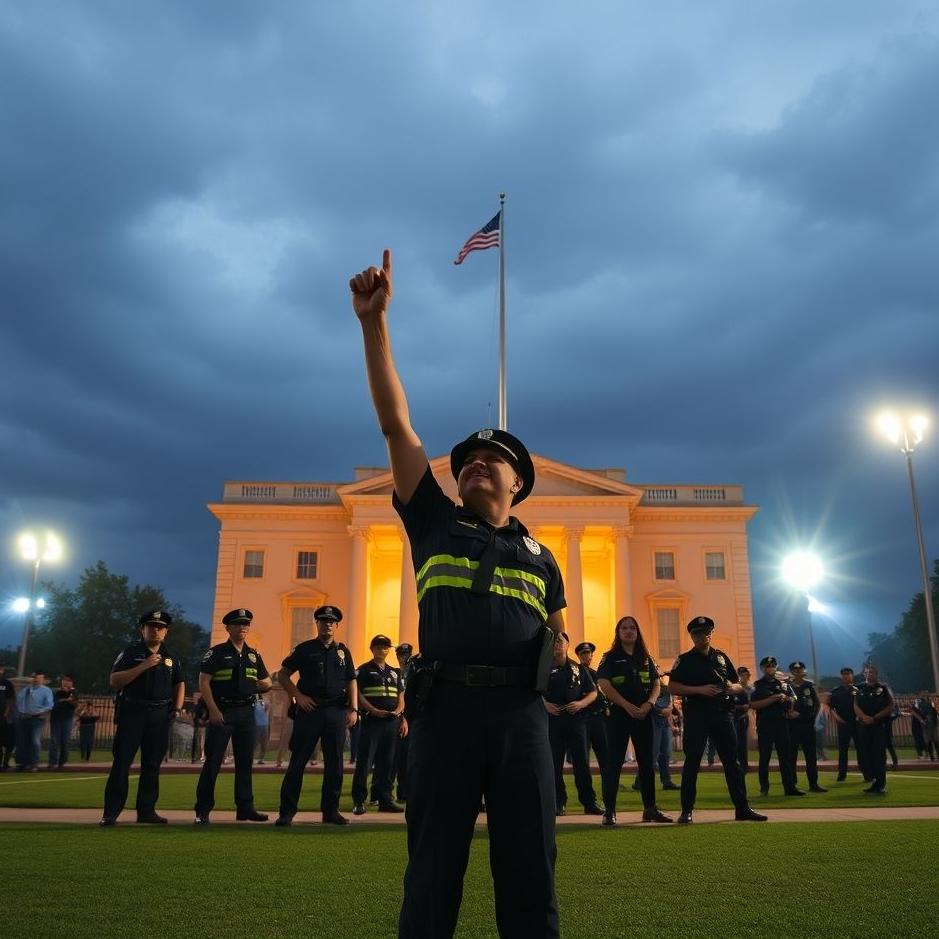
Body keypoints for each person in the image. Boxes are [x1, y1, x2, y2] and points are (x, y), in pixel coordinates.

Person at [351, 248, 566, 939]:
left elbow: (558, 631)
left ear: (517, 483)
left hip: (521, 718)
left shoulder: (542, 557)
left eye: (491, 458)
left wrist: (555, 650)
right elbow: (396, 424)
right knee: (433, 868)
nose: (475, 462)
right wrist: (374, 325)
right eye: (467, 458)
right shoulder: (433, 520)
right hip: (444, 712)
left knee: (530, 871)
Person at [666, 616, 765, 824]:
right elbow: (673, 686)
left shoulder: (721, 657)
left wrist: (731, 688)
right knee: (692, 762)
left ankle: (742, 808)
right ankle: (686, 810)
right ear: (692, 636)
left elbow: (738, 685)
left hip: (722, 714)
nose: (702, 636)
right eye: (697, 633)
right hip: (697, 715)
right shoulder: (685, 660)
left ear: (711, 633)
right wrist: (699, 690)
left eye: (706, 632)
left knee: (732, 762)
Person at [275, 605, 357, 826]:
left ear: (336, 625)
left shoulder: (343, 652)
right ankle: (286, 812)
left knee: (335, 764)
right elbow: (282, 675)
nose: (327, 624)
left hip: (336, 711)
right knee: (298, 761)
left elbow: (351, 680)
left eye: (331, 622)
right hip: (310, 710)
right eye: (323, 621)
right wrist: (298, 696)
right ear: (317, 624)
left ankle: (331, 811)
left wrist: (354, 709)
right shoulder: (304, 649)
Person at [100, 611, 184, 825]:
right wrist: (143, 666)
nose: (156, 630)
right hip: (133, 712)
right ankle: (111, 812)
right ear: (142, 629)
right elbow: (115, 680)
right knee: (122, 763)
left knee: (152, 765)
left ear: (166, 631)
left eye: (160, 627)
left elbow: (179, 683)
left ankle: (146, 810)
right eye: (151, 626)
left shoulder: (171, 657)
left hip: (160, 715)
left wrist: (177, 708)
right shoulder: (130, 653)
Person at [194, 608, 272, 823]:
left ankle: (245, 808)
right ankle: (202, 810)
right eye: (238, 624)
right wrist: (213, 710)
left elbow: (267, 681)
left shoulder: (253, 655)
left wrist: (260, 684)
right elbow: (203, 682)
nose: (243, 627)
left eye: (246, 624)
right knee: (213, 762)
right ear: (228, 628)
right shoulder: (217, 653)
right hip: (223, 711)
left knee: (245, 763)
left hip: (246, 713)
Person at [597, 615, 671, 825]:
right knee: (614, 764)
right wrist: (626, 705)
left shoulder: (646, 657)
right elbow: (604, 683)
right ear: (618, 633)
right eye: (624, 628)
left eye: (632, 628)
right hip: (619, 715)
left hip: (643, 715)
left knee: (647, 763)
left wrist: (649, 704)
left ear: (638, 632)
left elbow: (657, 683)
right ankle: (609, 811)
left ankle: (650, 809)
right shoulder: (610, 657)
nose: (629, 631)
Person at [544, 632, 602, 817]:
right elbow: (534, 692)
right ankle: (558, 803)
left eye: (560, 641)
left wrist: (581, 704)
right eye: (554, 641)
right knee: (554, 764)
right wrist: (545, 705)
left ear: (568, 645)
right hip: (553, 721)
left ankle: (589, 802)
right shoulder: (544, 667)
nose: (557, 644)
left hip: (576, 721)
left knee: (581, 763)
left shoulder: (578, 668)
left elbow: (593, 692)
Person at [352, 634, 407, 814]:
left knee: (388, 763)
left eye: (385, 647)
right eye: (378, 647)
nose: (381, 650)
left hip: (392, 722)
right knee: (365, 762)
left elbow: (400, 695)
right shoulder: (364, 670)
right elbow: (358, 694)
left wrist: (400, 714)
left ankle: (385, 799)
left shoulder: (394, 672)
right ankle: (359, 800)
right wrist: (374, 710)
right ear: (372, 649)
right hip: (372, 721)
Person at [750, 657, 803, 797]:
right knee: (765, 757)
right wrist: (773, 698)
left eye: (773, 665)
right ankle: (764, 788)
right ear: (762, 668)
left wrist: (788, 699)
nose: (771, 667)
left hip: (782, 723)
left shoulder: (782, 684)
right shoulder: (758, 685)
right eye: (768, 665)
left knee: (785, 757)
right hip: (765, 724)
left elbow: (793, 698)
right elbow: (753, 704)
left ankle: (789, 788)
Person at [786, 661, 826, 792]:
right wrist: (789, 714)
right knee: (791, 757)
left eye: (800, 669)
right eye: (795, 669)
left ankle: (813, 784)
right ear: (791, 671)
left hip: (807, 725)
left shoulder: (809, 686)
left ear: (804, 671)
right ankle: (792, 785)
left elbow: (816, 705)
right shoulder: (786, 687)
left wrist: (809, 718)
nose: (797, 671)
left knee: (811, 757)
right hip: (792, 726)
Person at [854, 663, 894, 794]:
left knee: (879, 755)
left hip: (878, 726)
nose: (868, 674)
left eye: (871, 672)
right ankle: (873, 781)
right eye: (866, 672)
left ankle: (881, 784)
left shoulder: (883, 688)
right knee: (866, 754)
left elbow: (890, 705)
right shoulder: (859, 688)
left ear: (876, 674)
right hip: (864, 726)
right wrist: (864, 717)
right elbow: (855, 705)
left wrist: (875, 718)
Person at [575, 641, 609, 777]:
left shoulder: (595, 673)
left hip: (599, 718)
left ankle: (609, 785)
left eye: (588, 653)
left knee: (605, 755)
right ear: (578, 656)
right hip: (583, 719)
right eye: (583, 653)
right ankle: (586, 787)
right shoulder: (576, 673)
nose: (587, 656)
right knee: (583, 758)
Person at [828, 667, 866, 781]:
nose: (846, 676)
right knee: (843, 749)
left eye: (848, 674)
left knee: (861, 748)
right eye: (844, 674)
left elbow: (864, 704)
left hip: (858, 722)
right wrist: (837, 718)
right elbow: (831, 707)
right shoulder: (836, 691)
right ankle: (842, 774)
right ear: (841, 676)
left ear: (852, 676)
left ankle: (866, 772)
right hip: (843, 723)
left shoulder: (859, 689)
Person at [15, 670, 53, 771]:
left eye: (39, 678)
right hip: (24, 718)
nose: (36, 679)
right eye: (35, 677)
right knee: (23, 741)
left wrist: (38, 712)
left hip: (37, 718)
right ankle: (23, 763)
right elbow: (18, 701)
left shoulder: (46, 690)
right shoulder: (26, 690)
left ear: (43, 679)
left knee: (35, 740)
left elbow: (49, 705)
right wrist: (22, 712)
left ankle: (34, 763)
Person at [393, 641, 414, 802]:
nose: (403, 658)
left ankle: (406, 790)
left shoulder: (414, 672)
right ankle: (400, 791)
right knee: (398, 757)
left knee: (408, 757)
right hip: (398, 718)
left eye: (406, 655)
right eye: (401, 655)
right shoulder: (395, 674)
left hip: (412, 718)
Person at [48, 673, 79, 769]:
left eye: (68, 681)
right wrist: (66, 700)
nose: (65, 682)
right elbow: (54, 703)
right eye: (64, 680)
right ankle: (52, 762)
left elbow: (75, 704)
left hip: (67, 718)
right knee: (54, 740)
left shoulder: (74, 692)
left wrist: (68, 699)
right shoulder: (56, 692)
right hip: (55, 718)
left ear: (72, 682)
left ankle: (62, 761)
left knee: (64, 741)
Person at [732, 666, 753, 773]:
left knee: (742, 742)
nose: (744, 677)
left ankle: (743, 764)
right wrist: (741, 707)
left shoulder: (751, 688)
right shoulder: (734, 688)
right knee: (734, 742)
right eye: (742, 675)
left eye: (746, 675)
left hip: (743, 717)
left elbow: (751, 704)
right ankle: (735, 764)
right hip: (733, 718)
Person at [0, 665, 18, 770]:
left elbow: (11, 700)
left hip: (6, 718)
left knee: (9, 742)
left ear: (2, 671)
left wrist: (6, 714)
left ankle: (5, 763)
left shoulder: (6, 683)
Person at [254, 691, 271, 764]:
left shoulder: (266, 700)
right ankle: (249, 758)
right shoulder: (253, 700)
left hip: (265, 724)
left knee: (264, 743)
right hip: (256, 725)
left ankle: (261, 759)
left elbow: (268, 712)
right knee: (254, 743)